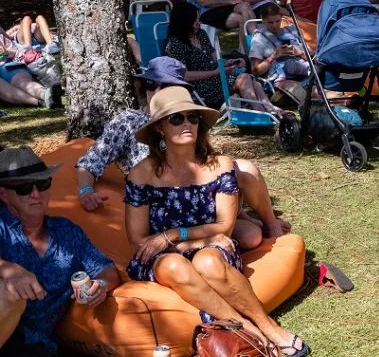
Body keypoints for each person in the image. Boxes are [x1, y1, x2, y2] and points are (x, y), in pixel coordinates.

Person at [125, 87, 309, 357]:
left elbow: (223, 226)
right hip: (164, 254)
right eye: (176, 119)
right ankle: (246, 326)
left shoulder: (220, 166)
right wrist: (179, 242)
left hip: (193, 243)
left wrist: (174, 234)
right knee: (174, 264)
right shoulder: (142, 174)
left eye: (193, 117)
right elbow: (139, 239)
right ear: (159, 129)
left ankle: (269, 326)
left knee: (207, 262)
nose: (187, 123)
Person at [75, 57, 289, 247]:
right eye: (151, 84)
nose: (156, 91)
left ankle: (265, 224)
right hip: (161, 205)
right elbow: (91, 161)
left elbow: (204, 163)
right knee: (246, 236)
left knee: (244, 174)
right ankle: (225, 232)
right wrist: (85, 190)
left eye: (166, 86)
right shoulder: (128, 122)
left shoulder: (186, 117)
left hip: (198, 197)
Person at [0, 147, 121, 357]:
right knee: (12, 293)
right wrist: (7, 268)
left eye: (43, 184)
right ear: (4, 195)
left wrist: (101, 287)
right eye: (25, 187)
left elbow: (108, 270)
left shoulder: (66, 232)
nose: (36, 194)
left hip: (30, 350)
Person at [164, 2, 275, 112]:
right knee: (245, 78)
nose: (199, 23)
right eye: (195, 21)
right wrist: (216, 72)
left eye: (198, 19)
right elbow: (184, 75)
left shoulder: (201, 34)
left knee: (250, 78)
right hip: (199, 87)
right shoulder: (175, 45)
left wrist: (230, 62)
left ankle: (270, 108)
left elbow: (215, 58)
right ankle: (262, 111)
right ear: (184, 22)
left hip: (216, 77)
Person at [248, 4, 311, 94]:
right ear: (263, 21)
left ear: (281, 18)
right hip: (283, 80)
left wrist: (300, 52)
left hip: (306, 71)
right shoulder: (259, 39)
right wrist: (273, 56)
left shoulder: (292, 30)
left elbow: (312, 56)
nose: (275, 25)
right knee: (313, 91)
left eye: (278, 21)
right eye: (270, 22)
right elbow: (255, 71)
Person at [0, 32, 61, 109]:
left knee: (22, 81)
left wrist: (7, 52)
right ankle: (40, 102)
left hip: (6, 65)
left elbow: (17, 52)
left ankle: (45, 94)